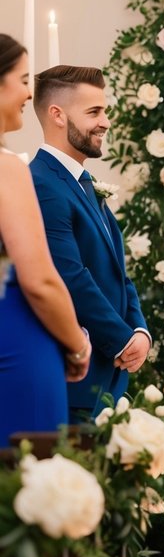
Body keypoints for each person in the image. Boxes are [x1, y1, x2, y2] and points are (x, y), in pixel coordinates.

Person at [29, 65, 150, 421]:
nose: (105, 122)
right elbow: (68, 274)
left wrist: (139, 328)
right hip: (75, 378)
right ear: (58, 115)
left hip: (107, 375)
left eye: (105, 111)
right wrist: (122, 340)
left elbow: (116, 269)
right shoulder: (42, 184)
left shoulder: (85, 182)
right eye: (94, 112)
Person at [0, 36, 90, 445]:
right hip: (16, 347)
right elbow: (41, 279)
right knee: (25, 494)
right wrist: (76, 343)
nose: (28, 93)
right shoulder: (7, 169)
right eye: (21, 80)